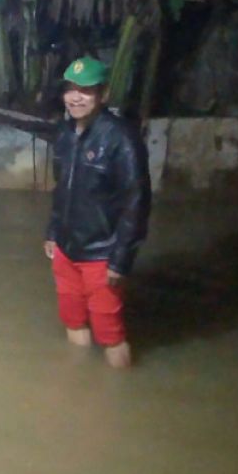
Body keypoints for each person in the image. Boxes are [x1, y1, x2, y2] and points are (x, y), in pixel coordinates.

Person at [45, 57, 150, 369]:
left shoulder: (122, 138)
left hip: (101, 254)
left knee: (110, 332)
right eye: (70, 89)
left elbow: (137, 202)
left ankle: (115, 397)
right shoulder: (64, 134)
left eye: (86, 90)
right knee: (73, 320)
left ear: (103, 94)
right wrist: (52, 232)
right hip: (65, 248)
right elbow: (60, 188)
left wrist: (120, 258)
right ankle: (76, 384)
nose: (75, 97)